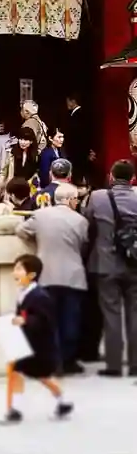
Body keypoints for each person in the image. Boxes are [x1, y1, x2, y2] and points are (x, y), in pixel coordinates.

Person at [16, 184, 88, 375]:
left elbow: (21, 230)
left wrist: (39, 243)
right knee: (70, 320)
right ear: (71, 199)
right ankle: (67, 361)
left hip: (46, 274)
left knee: (48, 321)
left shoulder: (41, 216)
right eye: (76, 199)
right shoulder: (81, 221)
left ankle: (50, 361)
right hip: (74, 276)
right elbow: (84, 244)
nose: (77, 202)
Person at [1, 254, 73, 424]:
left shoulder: (40, 296)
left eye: (19, 269)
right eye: (15, 268)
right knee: (19, 373)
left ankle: (61, 401)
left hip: (40, 348)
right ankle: (17, 409)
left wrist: (25, 320)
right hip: (28, 345)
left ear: (32, 275)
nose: (15, 273)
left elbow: (44, 319)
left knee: (41, 376)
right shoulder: (24, 294)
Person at [83, 159, 137, 377]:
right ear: (132, 179)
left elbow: (88, 225)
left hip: (105, 262)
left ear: (111, 177)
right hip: (134, 261)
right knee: (135, 313)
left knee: (111, 314)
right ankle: (135, 363)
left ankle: (114, 364)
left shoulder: (97, 197)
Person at [0, 127, 38, 199]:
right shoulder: (11, 153)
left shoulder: (36, 155)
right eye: (20, 139)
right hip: (13, 189)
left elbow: (36, 173)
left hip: (28, 190)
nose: (22, 142)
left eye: (26, 140)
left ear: (31, 141)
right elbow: (3, 173)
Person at [65, 93, 94, 185]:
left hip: (78, 153)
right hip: (79, 153)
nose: (67, 104)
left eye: (68, 102)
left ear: (73, 101)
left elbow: (81, 136)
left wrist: (87, 152)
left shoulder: (80, 115)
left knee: (79, 177)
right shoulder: (77, 115)